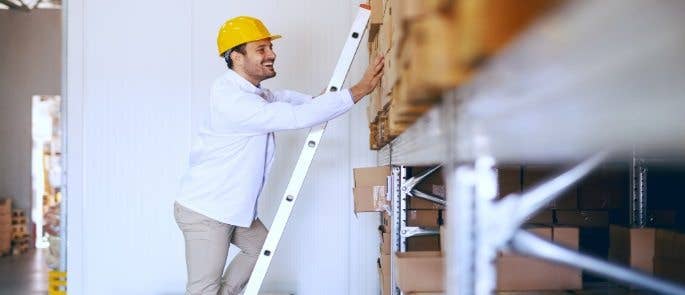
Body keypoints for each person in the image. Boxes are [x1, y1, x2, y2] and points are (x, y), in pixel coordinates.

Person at [173, 15, 384, 295]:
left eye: (270, 48)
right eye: (261, 49)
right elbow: (297, 116)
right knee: (202, 290)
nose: (272, 54)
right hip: (207, 211)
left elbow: (291, 101)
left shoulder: (252, 93)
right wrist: (360, 90)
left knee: (261, 250)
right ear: (236, 56)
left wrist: (325, 99)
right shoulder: (234, 100)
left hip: (231, 208)